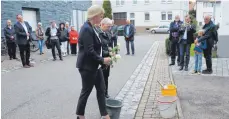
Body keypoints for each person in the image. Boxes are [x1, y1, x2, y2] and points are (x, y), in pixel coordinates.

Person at [76, 5, 111, 119]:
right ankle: (80, 116)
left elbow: (97, 46)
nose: (101, 19)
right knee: (86, 91)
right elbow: (89, 51)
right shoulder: (86, 28)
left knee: (101, 90)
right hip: (87, 67)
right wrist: (102, 60)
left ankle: (104, 114)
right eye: (100, 16)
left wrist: (104, 58)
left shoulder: (93, 27)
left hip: (96, 66)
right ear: (95, 16)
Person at [94, 18, 113, 98]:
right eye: (108, 26)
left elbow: (110, 45)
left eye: (110, 26)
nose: (109, 28)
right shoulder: (97, 34)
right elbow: (98, 49)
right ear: (102, 24)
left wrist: (112, 52)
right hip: (100, 59)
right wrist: (107, 53)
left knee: (106, 76)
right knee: (100, 78)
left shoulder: (108, 33)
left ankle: (105, 92)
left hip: (107, 59)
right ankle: (101, 93)